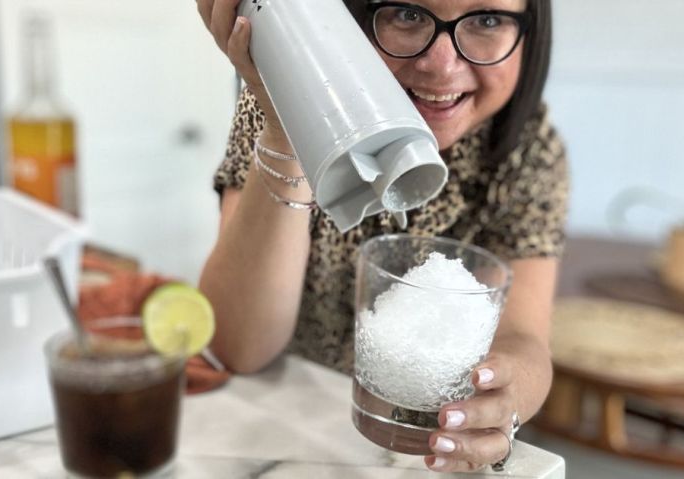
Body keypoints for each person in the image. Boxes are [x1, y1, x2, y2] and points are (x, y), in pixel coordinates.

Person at [197, 0, 568, 473]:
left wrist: (506, 394)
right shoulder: (281, 94)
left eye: (487, 20)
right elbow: (238, 347)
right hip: (285, 432)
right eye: (408, 15)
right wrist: (286, 128)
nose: (442, 63)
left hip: (435, 449)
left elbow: (525, 339)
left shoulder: (527, 147)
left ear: (530, 34)